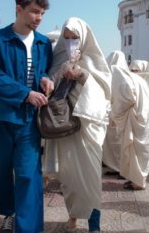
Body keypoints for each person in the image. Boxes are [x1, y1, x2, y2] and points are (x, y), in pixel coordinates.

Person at [0, 0, 53, 233]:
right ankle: (9, 213)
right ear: (18, 9)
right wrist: (25, 93)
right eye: (33, 11)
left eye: (41, 13)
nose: (38, 17)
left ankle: (28, 228)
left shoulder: (43, 43)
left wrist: (45, 79)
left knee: (27, 174)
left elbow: (44, 70)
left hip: (29, 121)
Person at [48, 17, 111, 233]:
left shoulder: (95, 60)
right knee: (69, 177)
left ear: (83, 38)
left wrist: (81, 74)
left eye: (74, 37)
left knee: (91, 176)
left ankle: (94, 224)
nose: (70, 41)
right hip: (64, 125)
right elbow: (49, 84)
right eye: (66, 38)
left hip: (88, 127)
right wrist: (64, 70)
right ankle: (73, 216)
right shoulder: (58, 57)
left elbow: (104, 91)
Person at [111, 59, 149, 190]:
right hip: (146, 117)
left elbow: (126, 99)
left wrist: (114, 114)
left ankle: (139, 182)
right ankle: (137, 179)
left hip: (141, 118)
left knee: (138, 151)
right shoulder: (138, 80)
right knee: (138, 151)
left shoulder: (121, 79)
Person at [129, 60, 149, 161]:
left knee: (148, 141)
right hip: (134, 117)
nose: (134, 73)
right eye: (132, 71)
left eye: (136, 71)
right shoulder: (130, 84)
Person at [102, 50, 129, 175]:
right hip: (119, 113)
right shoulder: (126, 77)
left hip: (111, 112)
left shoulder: (106, 75)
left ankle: (117, 166)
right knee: (117, 141)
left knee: (112, 141)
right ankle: (116, 166)